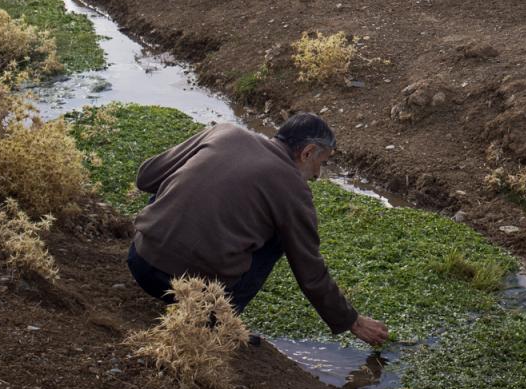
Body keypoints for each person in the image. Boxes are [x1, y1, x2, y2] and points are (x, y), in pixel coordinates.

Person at [126, 113, 390, 346]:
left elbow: (147, 177)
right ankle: (220, 319)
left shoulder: (224, 132)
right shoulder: (293, 189)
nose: (319, 174)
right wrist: (351, 321)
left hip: (140, 261)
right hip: (195, 294)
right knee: (279, 239)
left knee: (182, 186)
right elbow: (310, 271)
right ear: (307, 152)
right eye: (322, 162)